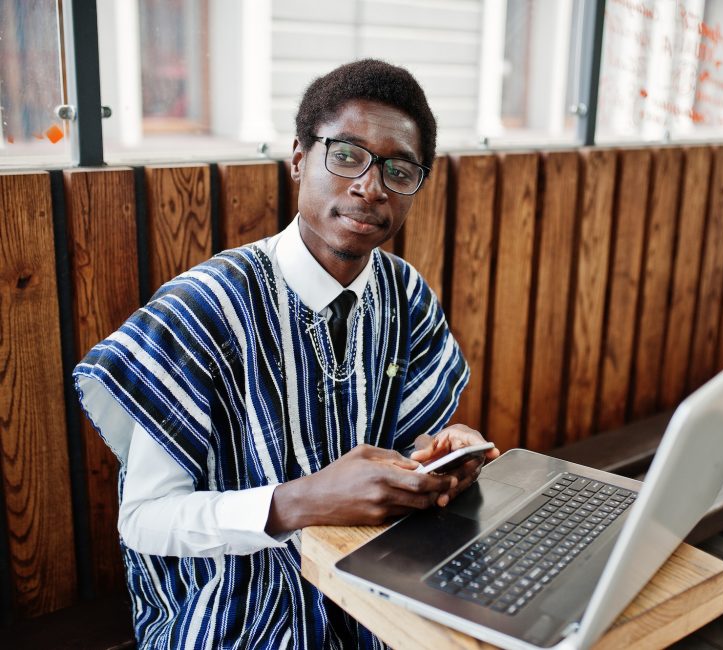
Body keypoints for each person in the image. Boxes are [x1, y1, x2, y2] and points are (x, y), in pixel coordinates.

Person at [74, 58, 499, 648]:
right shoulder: (203, 308)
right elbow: (143, 521)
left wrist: (439, 458)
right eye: (346, 155)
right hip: (237, 612)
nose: (371, 187)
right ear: (299, 158)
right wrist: (299, 502)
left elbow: (407, 450)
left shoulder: (407, 297)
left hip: (373, 591)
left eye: (400, 170)